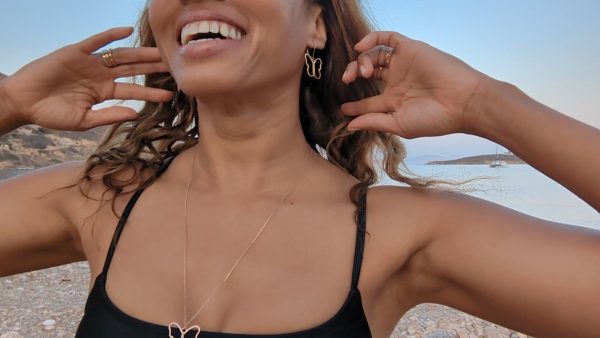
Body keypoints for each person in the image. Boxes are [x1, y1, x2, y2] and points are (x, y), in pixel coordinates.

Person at [0, 1, 599, 337]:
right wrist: (8, 106)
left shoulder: (406, 234)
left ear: (314, 23)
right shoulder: (96, 199)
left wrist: (489, 106)